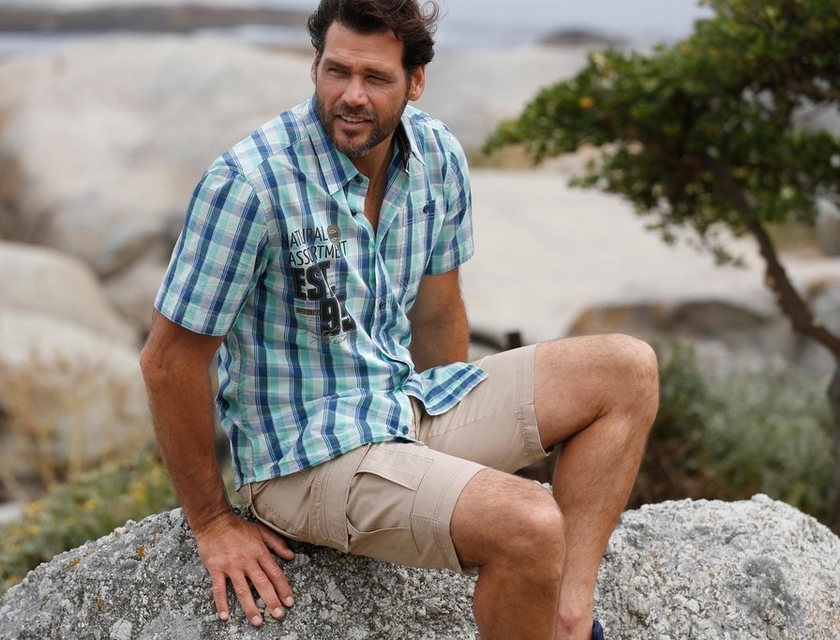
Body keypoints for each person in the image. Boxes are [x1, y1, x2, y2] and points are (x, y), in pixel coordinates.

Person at [139, 1, 658, 638]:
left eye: (375, 78)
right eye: (337, 71)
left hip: (402, 408)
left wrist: (452, 479)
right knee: (530, 522)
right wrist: (212, 521)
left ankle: (569, 619)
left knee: (628, 368)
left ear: (415, 81)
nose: (351, 96)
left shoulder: (436, 154)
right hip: (304, 457)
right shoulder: (249, 184)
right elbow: (168, 362)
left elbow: (438, 315)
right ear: (315, 66)